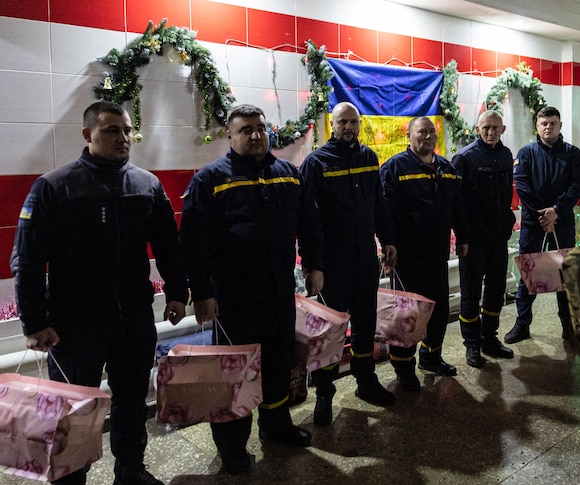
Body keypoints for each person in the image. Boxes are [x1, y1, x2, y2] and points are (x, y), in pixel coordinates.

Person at [10, 101, 187, 485]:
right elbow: (26, 259)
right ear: (88, 134)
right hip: (73, 327)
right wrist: (35, 322)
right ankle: (71, 477)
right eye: (111, 130)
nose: (123, 138)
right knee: (75, 409)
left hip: (133, 320)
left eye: (127, 131)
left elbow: (168, 246)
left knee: (130, 399)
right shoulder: (55, 187)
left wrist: (177, 293)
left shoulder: (146, 185)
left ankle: (130, 470)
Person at [180, 104, 324, 474]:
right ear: (230, 135)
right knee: (235, 374)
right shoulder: (211, 179)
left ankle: (276, 427)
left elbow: (309, 223)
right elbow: (194, 243)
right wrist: (203, 293)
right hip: (233, 300)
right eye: (246, 130)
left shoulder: (287, 174)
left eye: (260, 128)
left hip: (278, 293)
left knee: (277, 364)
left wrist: (314, 265)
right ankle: (232, 447)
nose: (256, 135)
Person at [300, 102, 398, 426]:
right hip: (332, 264)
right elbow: (308, 219)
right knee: (330, 330)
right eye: (342, 122)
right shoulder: (316, 163)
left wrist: (388, 241)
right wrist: (313, 265)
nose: (348, 128)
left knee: (365, 324)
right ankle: (324, 395)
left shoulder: (369, 158)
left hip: (364, 259)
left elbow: (380, 203)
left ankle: (365, 382)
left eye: (353, 122)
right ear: (332, 124)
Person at [379, 116, 469, 389]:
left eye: (431, 132)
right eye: (421, 132)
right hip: (407, 258)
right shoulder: (395, 168)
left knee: (438, 311)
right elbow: (384, 212)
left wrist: (463, 237)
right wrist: (388, 243)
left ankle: (431, 357)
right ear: (409, 136)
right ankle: (403, 369)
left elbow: (458, 207)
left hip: (437, 255)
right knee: (407, 316)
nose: (427, 137)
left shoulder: (446, 168)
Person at [504, 106, 580, 345]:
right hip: (534, 223)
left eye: (552, 123)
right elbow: (522, 186)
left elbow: (577, 184)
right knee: (528, 274)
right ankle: (522, 324)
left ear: (560, 125)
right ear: (537, 127)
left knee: (565, 275)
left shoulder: (572, 153)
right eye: (544, 123)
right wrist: (544, 214)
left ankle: (568, 327)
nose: (548, 127)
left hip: (562, 223)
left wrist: (557, 211)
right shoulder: (526, 153)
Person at [452, 110, 516, 368]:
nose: (490, 132)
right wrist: (462, 236)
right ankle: (472, 345)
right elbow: (456, 203)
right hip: (474, 241)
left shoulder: (506, 155)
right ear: (477, 129)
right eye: (486, 128)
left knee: (496, 290)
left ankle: (489, 338)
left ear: (503, 129)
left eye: (495, 128)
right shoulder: (465, 157)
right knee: (470, 293)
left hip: (498, 238)